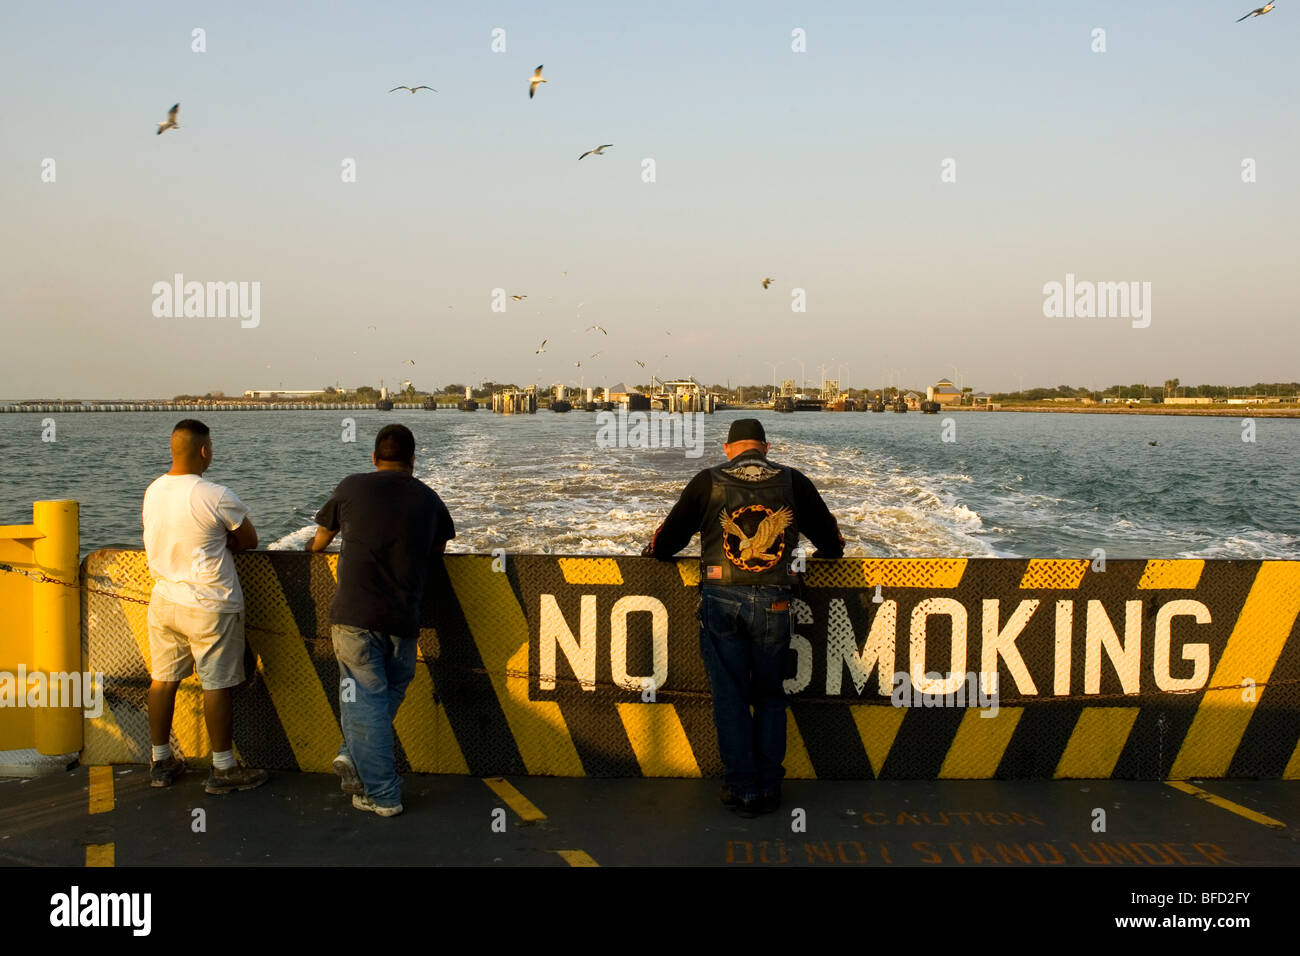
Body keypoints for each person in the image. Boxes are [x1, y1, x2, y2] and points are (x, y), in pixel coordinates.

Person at [642, 418, 843, 817]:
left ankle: (742, 789)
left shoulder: (708, 480)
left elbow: (666, 543)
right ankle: (769, 789)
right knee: (770, 696)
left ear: (728, 448)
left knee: (731, 698)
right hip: (775, 601)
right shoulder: (792, 481)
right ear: (765, 448)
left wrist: (655, 549)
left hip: (721, 599)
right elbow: (832, 546)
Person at [307, 424, 455, 817]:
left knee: (365, 698)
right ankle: (354, 757)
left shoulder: (352, 486)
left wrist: (313, 548)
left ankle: (383, 793)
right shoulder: (430, 499)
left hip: (354, 614)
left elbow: (322, 536)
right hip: (403, 616)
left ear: (374, 459)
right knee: (388, 688)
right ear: (413, 460)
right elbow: (435, 551)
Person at [142, 419, 269, 794]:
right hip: (210, 604)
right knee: (217, 684)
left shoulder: (153, 490)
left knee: (163, 680)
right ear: (204, 451)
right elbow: (248, 540)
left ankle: (160, 760)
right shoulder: (215, 494)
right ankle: (222, 768)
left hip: (164, 599)